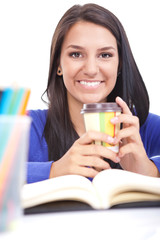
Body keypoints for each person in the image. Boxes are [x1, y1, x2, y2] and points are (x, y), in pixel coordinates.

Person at [27, 3, 160, 183]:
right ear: (58, 64)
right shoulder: (25, 126)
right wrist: (53, 170)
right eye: (76, 54)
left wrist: (151, 171)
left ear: (119, 64)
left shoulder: (145, 127)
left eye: (105, 55)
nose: (90, 69)